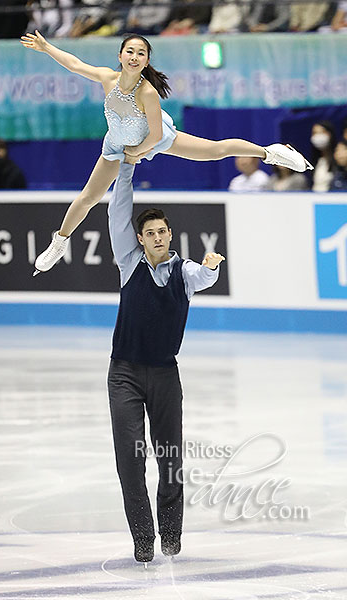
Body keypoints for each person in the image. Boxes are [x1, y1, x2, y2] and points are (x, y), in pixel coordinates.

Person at [19, 31, 313, 274]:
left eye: (141, 54)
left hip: (152, 140)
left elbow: (157, 135)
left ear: (146, 61)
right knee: (88, 198)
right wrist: (46, 48)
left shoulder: (147, 92)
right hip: (116, 145)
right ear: (120, 56)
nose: (134, 57)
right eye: (130, 52)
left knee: (214, 150)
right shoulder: (108, 78)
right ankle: (59, 242)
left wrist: (136, 152)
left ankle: (270, 152)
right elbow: (74, 64)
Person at [107, 154, 225, 564]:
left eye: (162, 231)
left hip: (164, 375)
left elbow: (205, 278)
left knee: (169, 456)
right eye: (150, 232)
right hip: (123, 373)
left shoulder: (185, 271)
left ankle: (171, 535)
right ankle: (143, 537)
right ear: (139, 239)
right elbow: (118, 212)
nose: (157, 237)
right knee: (130, 458)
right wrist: (125, 168)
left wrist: (210, 267)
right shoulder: (128, 263)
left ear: (170, 234)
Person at [310, 120, 336, 192]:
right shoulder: (316, 161)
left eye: (322, 132)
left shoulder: (337, 159)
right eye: (315, 133)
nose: (318, 136)